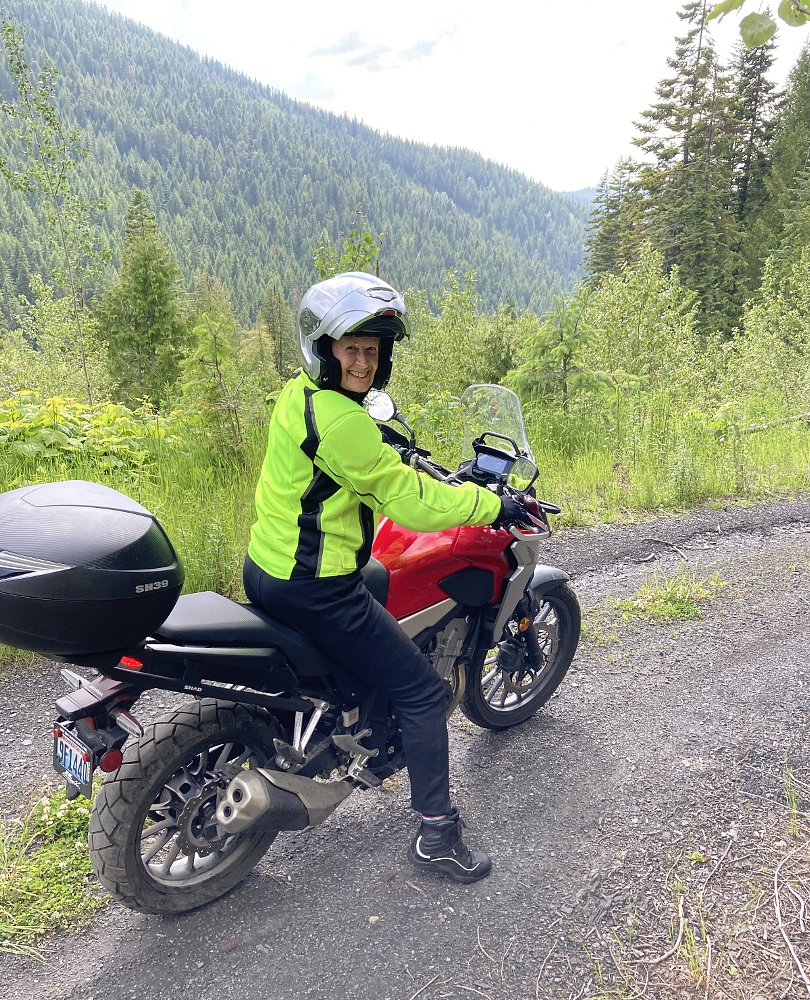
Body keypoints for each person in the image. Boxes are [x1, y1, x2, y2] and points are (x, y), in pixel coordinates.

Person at [243, 271, 523, 883]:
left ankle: (360, 714)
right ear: (324, 350)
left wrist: (391, 450)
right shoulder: (342, 423)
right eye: (352, 350)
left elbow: (364, 458)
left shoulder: (303, 397)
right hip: (317, 585)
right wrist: (492, 505)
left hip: (267, 569)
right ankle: (436, 836)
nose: (364, 362)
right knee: (424, 692)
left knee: (379, 579)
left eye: (373, 351)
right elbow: (409, 501)